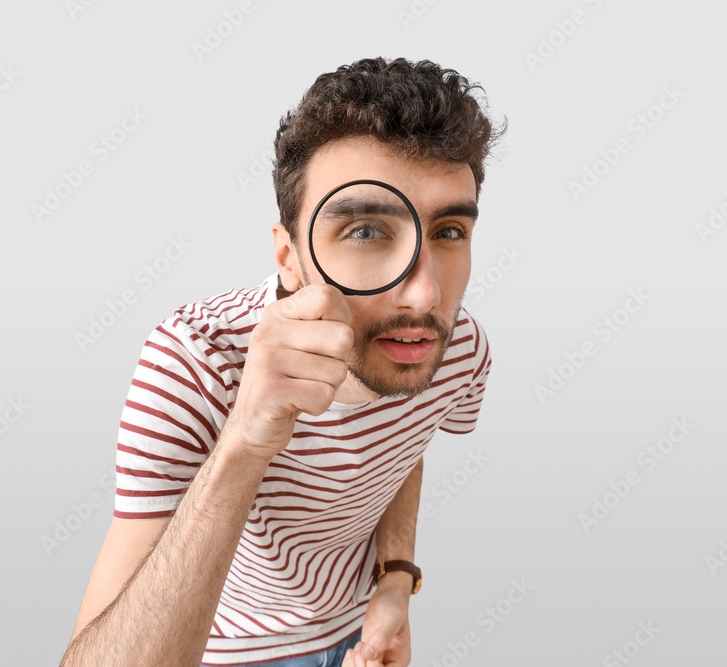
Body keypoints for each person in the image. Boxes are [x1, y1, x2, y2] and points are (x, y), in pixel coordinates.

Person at [60, 56, 505, 667]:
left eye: (450, 231)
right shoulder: (195, 360)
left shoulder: (458, 349)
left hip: (361, 636)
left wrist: (395, 582)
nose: (425, 295)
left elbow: (407, 444)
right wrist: (245, 438)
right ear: (288, 256)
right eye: (368, 231)